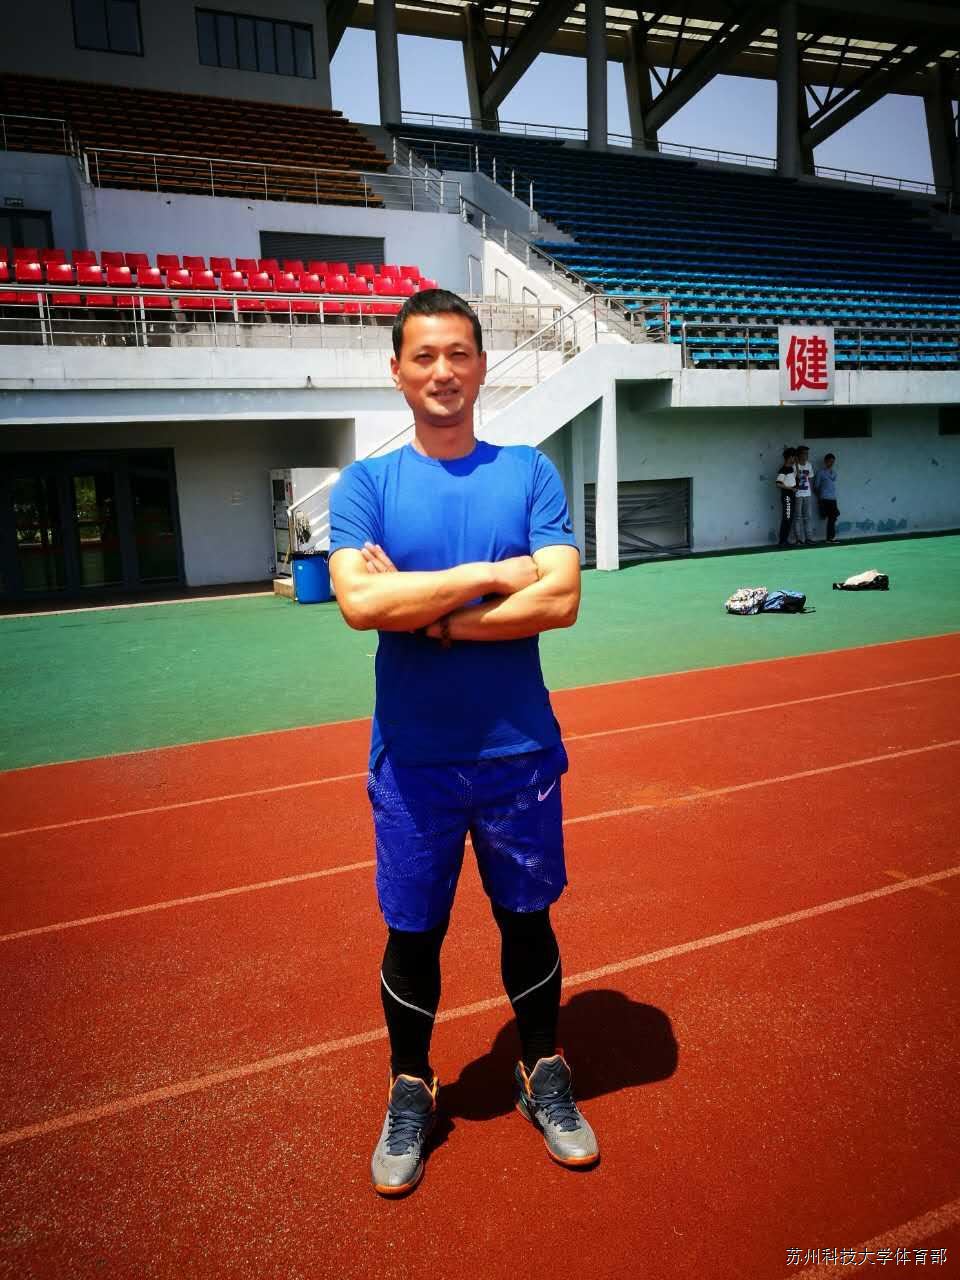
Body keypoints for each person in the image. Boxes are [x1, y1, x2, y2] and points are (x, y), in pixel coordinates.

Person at [327, 288, 599, 1198]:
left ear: (481, 366)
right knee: (415, 931)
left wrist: (431, 616)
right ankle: (411, 1085)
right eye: (424, 356)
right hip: (413, 760)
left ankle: (541, 1067)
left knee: (528, 919)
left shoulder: (530, 473)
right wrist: (489, 576)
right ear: (397, 371)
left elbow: (560, 599)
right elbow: (359, 602)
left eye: (458, 354)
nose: (442, 371)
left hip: (518, 753)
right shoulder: (367, 486)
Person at [813, 452, 840, 543]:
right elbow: (815, 487)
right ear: (825, 461)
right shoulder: (820, 473)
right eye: (829, 461)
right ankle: (830, 538)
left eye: (833, 462)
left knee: (833, 517)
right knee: (831, 518)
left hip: (833, 498)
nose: (831, 463)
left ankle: (830, 538)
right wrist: (820, 499)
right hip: (825, 498)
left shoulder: (834, 473)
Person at [791, 444, 814, 545]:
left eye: (807, 454)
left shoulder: (809, 465)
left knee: (808, 517)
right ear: (799, 455)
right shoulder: (794, 466)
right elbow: (792, 480)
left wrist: (810, 491)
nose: (806, 456)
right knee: (797, 517)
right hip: (797, 494)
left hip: (807, 494)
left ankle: (809, 538)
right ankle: (799, 539)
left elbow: (810, 479)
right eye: (804, 454)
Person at [776, 447, 797, 547]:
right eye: (793, 457)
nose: (794, 459)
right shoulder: (783, 469)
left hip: (792, 496)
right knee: (787, 518)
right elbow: (778, 483)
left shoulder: (791, 468)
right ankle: (782, 541)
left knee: (790, 518)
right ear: (789, 457)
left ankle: (785, 540)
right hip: (787, 497)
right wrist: (790, 488)